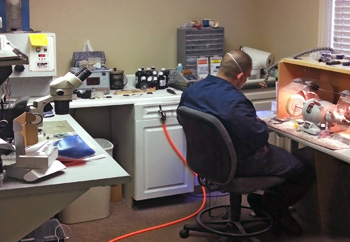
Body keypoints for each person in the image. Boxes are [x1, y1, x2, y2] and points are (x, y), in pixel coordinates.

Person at [178, 50, 316, 236]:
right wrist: (259, 124)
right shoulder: (235, 101)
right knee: (303, 169)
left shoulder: (192, 90)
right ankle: (270, 207)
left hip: (205, 161)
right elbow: (259, 138)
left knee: (283, 159)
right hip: (238, 165)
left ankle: (263, 203)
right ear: (241, 76)